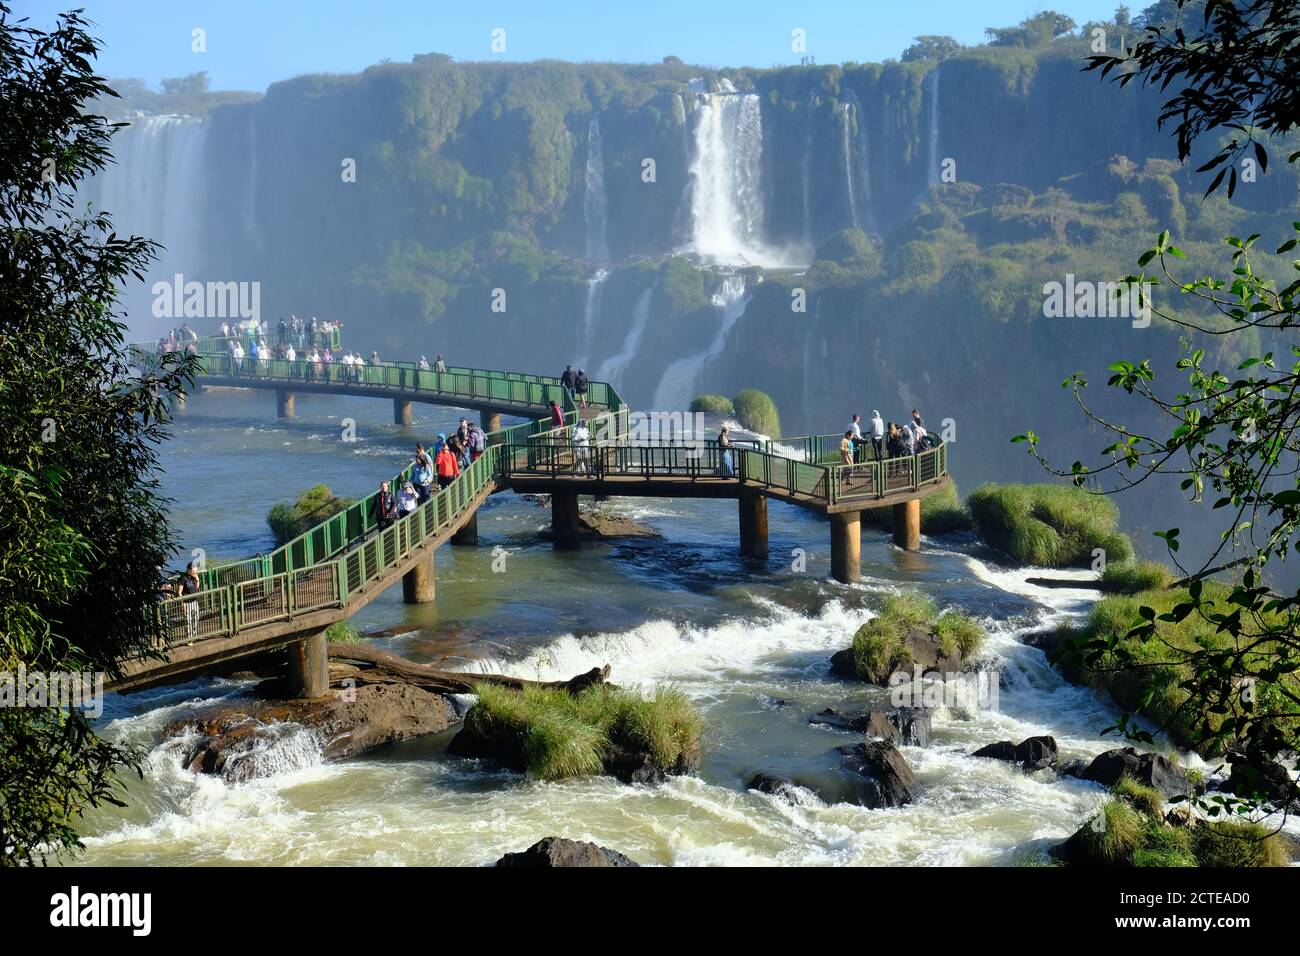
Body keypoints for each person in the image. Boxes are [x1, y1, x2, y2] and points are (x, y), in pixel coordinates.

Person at [179, 562, 201, 643]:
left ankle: (194, 635)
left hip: (194, 601)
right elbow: (179, 592)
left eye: (196, 571)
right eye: (194, 571)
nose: (195, 573)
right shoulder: (183, 578)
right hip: (187, 603)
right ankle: (189, 639)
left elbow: (196, 589)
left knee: (196, 618)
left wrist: (198, 580)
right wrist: (182, 604)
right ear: (188, 570)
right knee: (188, 621)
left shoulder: (194, 577)